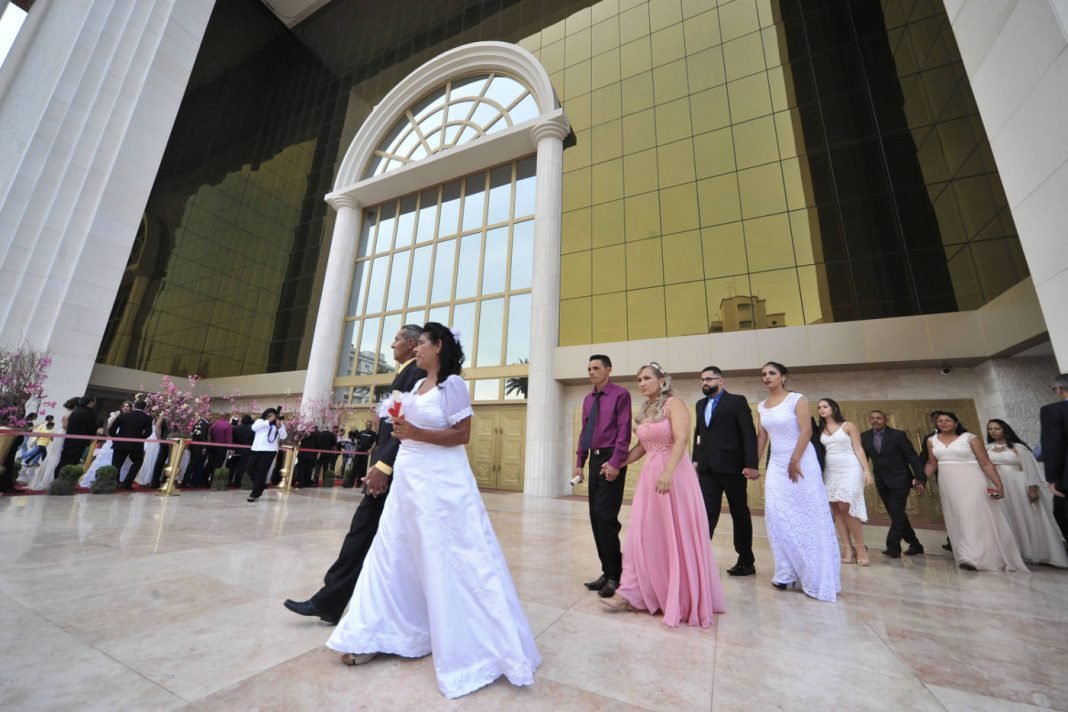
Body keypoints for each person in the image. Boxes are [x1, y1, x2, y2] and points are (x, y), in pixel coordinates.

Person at [326, 324, 540, 698]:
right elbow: (405, 430)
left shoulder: (452, 385)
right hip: (408, 479)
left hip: (441, 482)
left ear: (438, 346)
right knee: (392, 554)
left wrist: (417, 433)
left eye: (422, 344)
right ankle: (378, 632)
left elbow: (462, 435)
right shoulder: (415, 385)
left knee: (448, 557)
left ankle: (470, 640)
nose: (416, 350)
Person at [285, 325, 425, 624]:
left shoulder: (415, 375)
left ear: (412, 344)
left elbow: (402, 428)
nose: (391, 345)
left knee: (362, 534)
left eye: (397, 339)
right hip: (391, 469)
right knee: (366, 537)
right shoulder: (406, 374)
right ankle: (332, 601)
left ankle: (333, 602)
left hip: (393, 473)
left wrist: (384, 467)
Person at [601, 363, 725, 627]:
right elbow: (642, 448)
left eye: (647, 378)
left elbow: (681, 440)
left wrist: (669, 472)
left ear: (662, 380)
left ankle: (678, 595)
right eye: (638, 379)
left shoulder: (674, 404)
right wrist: (618, 463)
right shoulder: (645, 410)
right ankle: (633, 591)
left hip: (674, 475)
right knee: (645, 534)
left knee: (675, 534)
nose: (642, 383)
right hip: (650, 477)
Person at [756, 362, 840, 601]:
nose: (767, 377)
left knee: (807, 514)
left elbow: (806, 431)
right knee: (776, 514)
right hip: (777, 465)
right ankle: (785, 571)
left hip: (802, 461)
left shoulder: (797, 399)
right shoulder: (761, 406)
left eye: (772, 373)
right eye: (763, 374)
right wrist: (753, 464)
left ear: (783, 377)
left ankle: (815, 574)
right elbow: (762, 437)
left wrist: (795, 459)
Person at [925, 411, 1026, 572]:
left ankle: (975, 557)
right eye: (940, 421)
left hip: (972, 480)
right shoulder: (931, 441)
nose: (943, 423)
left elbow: (985, 463)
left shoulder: (970, 438)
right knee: (957, 517)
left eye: (947, 420)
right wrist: (920, 479)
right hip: (948, 483)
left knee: (971, 515)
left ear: (956, 423)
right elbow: (931, 463)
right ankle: (965, 555)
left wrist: (998, 485)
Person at [574, 354, 632, 598]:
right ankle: (606, 570)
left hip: (611, 457)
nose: (591, 371)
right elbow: (585, 431)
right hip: (594, 458)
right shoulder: (588, 399)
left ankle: (616, 575)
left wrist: (616, 463)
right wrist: (580, 463)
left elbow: (624, 431)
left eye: (596, 368)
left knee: (606, 517)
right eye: (588, 368)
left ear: (608, 370)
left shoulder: (620, 395)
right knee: (595, 517)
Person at [691, 365, 759, 576]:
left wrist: (752, 464)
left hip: (733, 469)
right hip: (707, 469)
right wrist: (695, 459)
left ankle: (746, 560)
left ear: (721, 381)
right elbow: (699, 433)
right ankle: (699, 558)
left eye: (709, 379)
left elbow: (748, 434)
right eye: (702, 379)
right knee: (705, 513)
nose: (705, 383)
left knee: (739, 514)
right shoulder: (700, 404)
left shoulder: (736, 401)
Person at [987, 419, 1067, 567]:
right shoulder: (987, 448)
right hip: (997, 484)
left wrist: (1032, 488)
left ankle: (1035, 551)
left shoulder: (1018, 448)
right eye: (990, 429)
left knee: (1025, 515)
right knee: (1005, 517)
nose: (993, 431)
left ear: (1005, 429)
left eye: (997, 428)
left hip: (1017, 484)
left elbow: (1030, 468)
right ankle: (1012, 552)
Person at [861, 410, 927, 558]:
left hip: (900, 479)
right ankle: (915, 544)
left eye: (879, 418)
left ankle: (893, 547)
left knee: (897, 513)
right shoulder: (864, 436)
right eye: (872, 418)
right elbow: (863, 459)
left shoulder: (898, 435)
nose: (875, 421)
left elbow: (911, 456)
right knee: (897, 514)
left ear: (886, 420)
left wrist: (920, 477)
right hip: (881, 481)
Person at [816, 398, 874, 566]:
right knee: (835, 508)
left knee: (845, 506)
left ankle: (861, 547)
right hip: (831, 469)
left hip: (850, 467)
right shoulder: (820, 429)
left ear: (834, 408)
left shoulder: (848, 425)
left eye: (825, 406)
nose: (821, 409)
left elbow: (858, 448)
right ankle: (847, 548)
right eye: (819, 407)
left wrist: (867, 470)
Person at [1040, 373, 1068, 543]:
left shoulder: (1054, 410)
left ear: (1059, 389)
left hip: (1066, 476)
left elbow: (1053, 445)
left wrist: (1052, 477)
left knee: (1063, 514)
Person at [110, 399, 153, 489]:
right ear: (144, 408)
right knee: (138, 462)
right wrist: (141, 438)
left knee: (116, 464)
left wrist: (116, 439)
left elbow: (112, 429)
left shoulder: (124, 415)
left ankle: (114, 483)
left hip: (120, 443)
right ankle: (127, 483)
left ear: (134, 406)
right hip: (136, 445)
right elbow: (148, 432)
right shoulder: (147, 418)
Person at [53, 395, 98, 481]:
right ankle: (64, 480)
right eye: (94, 401)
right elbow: (92, 426)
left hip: (69, 439)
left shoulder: (76, 411)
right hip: (79, 441)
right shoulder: (88, 412)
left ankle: (57, 478)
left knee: (64, 459)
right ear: (91, 402)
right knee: (73, 461)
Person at [247, 408, 287, 502]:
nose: (272, 417)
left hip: (269, 451)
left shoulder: (278, 423)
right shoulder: (260, 421)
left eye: (273, 416)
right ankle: (261, 485)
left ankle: (254, 494)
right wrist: (268, 421)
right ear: (265, 415)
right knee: (250, 469)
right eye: (269, 415)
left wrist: (279, 427)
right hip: (256, 449)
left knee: (261, 472)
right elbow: (253, 428)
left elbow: (283, 436)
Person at [229, 415, 255, 487]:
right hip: (248, 450)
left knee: (232, 466)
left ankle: (229, 481)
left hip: (235, 449)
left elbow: (232, 438)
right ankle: (237, 482)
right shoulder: (252, 429)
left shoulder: (236, 428)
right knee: (242, 467)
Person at [352, 422, 378, 488]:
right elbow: (356, 439)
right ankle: (350, 482)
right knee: (355, 466)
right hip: (359, 452)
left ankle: (359, 483)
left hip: (366, 453)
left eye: (370, 425)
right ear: (365, 425)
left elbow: (375, 442)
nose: (368, 426)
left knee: (363, 468)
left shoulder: (373, 434)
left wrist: (371, 449)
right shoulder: (361, 432)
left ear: (371, 426)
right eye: (367, 424)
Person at [208, 414, 233, 478]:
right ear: (226, 418)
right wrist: (230, 448)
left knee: (210, 463)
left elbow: (210, 435)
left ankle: (205, 480)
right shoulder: (228, 426)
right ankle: (213, 479)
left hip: (212, 446)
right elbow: (228, 438)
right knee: (218, 464)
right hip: (222, 447)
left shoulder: (214, 424)